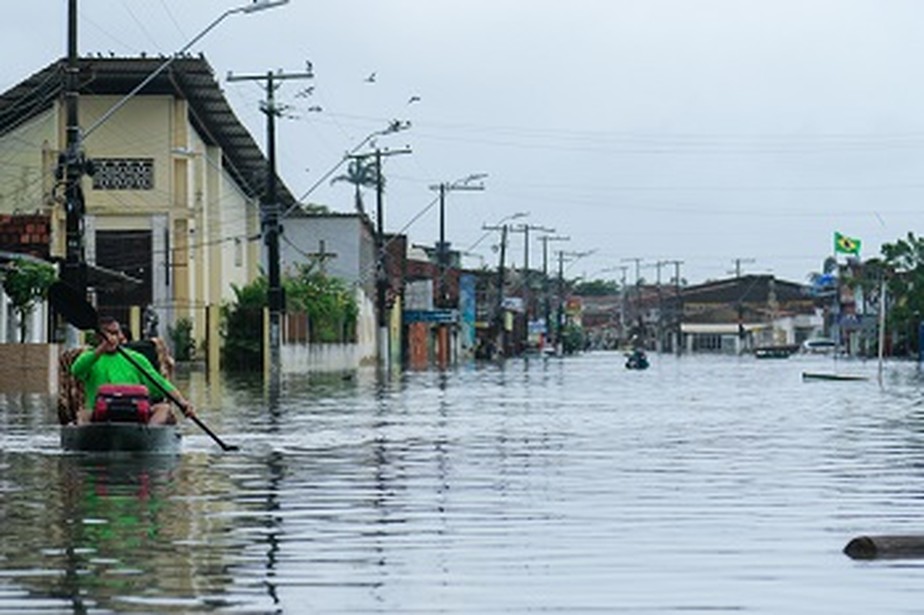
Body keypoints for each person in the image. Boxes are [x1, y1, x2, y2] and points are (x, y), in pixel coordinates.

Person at [70, 316, 195, 426]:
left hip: (136, 413)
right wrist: (101, 349)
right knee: (83, 415)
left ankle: (149, 434)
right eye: (109, 334)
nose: (114, 338)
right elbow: (76, 370)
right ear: (99, 337)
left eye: (116, 333)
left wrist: (182, 402)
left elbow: (161, 384)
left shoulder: (136, 358)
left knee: (164, 409)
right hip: (101, 415)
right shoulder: (90, 357)